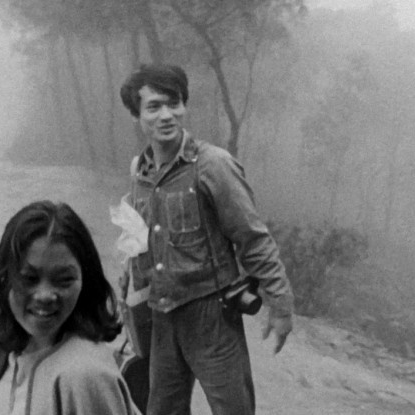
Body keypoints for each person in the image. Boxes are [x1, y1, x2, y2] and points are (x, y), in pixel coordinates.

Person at [118, 64, 295, 415]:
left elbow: (253, 239)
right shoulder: (140, 173)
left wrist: (281, 303)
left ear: (184, 106)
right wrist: (127, 287)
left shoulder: (213, 165)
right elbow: (138, 238)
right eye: (154, 107)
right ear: (136, 115)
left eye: (174, 103)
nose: (166, 115)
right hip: (161, 316)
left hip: (212, 318)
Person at [0, 201, 139, 415]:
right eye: (29, 278)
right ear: (4, 278)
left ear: (85, 281)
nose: (45, 295)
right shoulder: (14, 346)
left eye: (64, 280)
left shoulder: (85, 376)